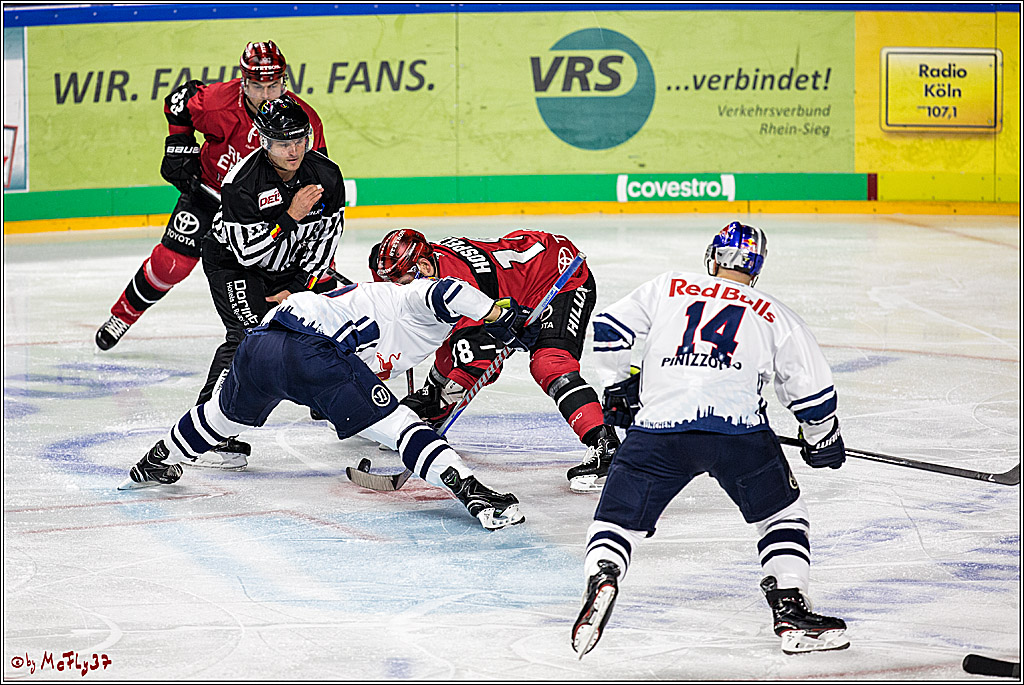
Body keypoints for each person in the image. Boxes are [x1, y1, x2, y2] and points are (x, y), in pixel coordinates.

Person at [572, 221, 849, 658]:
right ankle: (791, 609)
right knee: (782, 515)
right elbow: (811, 391)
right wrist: (821, 438)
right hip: (738, 434)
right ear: (756, 268)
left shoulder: (669, 286)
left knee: (615, 521)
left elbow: (608, 325)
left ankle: (604, 573)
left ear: (713, 257)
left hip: (658, 430)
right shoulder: (772, 311)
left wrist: (619, 386)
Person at [118, 273, 538, 531]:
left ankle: (154, 460)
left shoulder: (382, 311)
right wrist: (500, 316)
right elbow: (449, 292)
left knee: (219, 418)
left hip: (260, 344)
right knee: (403, 427)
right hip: (311, 349)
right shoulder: (409, 297)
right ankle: (475, 493)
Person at [95, 41, 329, 350]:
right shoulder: (217, 102)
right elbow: (178, 102)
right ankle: (124, 315)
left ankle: (311, 340)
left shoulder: (303, 120)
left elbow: (316, 177)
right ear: (243, 81)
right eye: (257, 86)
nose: (266, 95)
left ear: (283, 81)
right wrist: (178, 142)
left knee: (292, 276)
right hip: (208, 192)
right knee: (171, 263)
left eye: (273, 85)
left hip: (259, 211)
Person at [370, 228, 620, 493]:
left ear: (423, 265)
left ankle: (604, 442)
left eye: (402, 279)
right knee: (446, 333)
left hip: (559, 276)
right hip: (516, 279)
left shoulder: (459, 287)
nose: (398, 286)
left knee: (549, 363)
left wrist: (448, 396)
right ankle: (434, 397)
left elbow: (484, 363)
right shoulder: (423, 268)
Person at [187, 94, 345, 468]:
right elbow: (247, 254)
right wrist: (291, 215)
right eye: (282, 142)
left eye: (299, 140)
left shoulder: (326, 174)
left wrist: (304, 288)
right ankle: (206, 432)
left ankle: (334, 402)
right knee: (247, 336)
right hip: (234, 265)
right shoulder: (241, 182)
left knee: (341, 314)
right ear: (262, 140)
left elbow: (328, 238)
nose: (293, 150)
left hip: (291, 266)